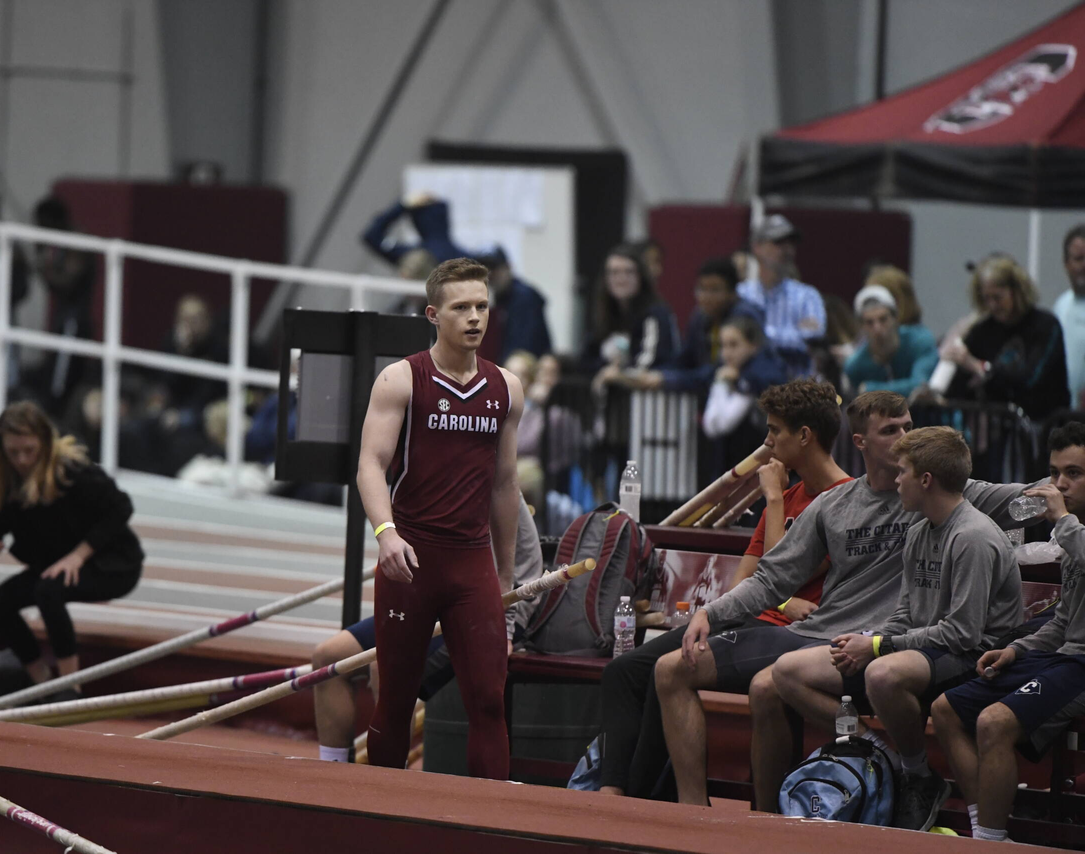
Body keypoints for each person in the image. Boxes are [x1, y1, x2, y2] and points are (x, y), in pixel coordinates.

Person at [663, 391, 1033, 808]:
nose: (904, 437)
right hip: (822, 633)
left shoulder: (941, 491)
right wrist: (711, 613)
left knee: (770, 684)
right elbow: (771, 578)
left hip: (888, 645)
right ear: (860, 442)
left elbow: (1027, 500)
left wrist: (1061, 493)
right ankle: (718, 820)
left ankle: (874, 765)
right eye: (891, 430)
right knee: (670, 668)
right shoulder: (834, 505)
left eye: (908, 427)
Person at [597, 378, 850, 800]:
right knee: (625, 672)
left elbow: (779, 571)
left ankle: (653, 806)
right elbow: (745, 584)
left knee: (673, 672)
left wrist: (770, 501)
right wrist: (776, 601)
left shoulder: (842, 500)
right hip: (751, 618)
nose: (767, 443)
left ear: (804, 436)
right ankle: (618, 797)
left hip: (795, 638)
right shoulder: (790, 495)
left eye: (774, 431)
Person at [770, 426, 1022, 830]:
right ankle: (881, 755)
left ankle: (917, 773)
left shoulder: (973, 536)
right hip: (924, 648)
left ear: (926, 480)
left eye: (902, 471)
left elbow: (963, 634)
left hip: (977, 656)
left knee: (883, 673)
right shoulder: (919, 529)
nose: (895, 480)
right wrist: (867, 638)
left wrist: (877, 646)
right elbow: (905, 613)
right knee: (787, 671)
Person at [355, 257, 524, 779]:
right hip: (411, 562)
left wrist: (505, 575)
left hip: (470, 563)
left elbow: (504, 485)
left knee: (489, 702)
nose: (475, 317)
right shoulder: (401, 379)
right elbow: (369, 465)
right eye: (461, 308)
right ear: (433, 314)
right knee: (397, 702)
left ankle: (486, 823)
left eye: (481, 306)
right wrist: (386, 534)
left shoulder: (507, 389)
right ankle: (378, 816)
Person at [932, 420, 1085, 843]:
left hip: (1083, 663)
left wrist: (1065, 523)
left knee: (994, 722)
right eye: (1055, 473)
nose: (1060, 484)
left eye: (1074, 473)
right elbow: (1062, 622)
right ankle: (988, 827)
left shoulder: (1073, 531)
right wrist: (1017, 650)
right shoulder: (1075, 531)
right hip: (1065, 654)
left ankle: (990, 840)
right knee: (946, 709)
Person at [313, 499, 543, 762]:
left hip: (485, 606)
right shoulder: (420, 474)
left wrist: (506, 628)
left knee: (385, 667)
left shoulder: (486, 477)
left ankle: (389, 787)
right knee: (327, 657)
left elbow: (520, 568)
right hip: (428, 597)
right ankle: (333, 773)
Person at [0, 402, 143, 696]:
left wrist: (78, 557)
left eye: (29, 450)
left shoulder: (71, 470)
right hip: (55, 564)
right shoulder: (5, 480)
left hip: (114, 564)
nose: (23, 460)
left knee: (48, 590)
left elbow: (122, 507)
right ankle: (40, 684)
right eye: (13, 453)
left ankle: (70, 689)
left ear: (45, 442)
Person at [941, 255, 1069, 421]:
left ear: (1016, 292)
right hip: (999, 431)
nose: (992, 305)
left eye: (998, 297)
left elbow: (1029, 380)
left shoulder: (1046, 326)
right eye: (987, 298)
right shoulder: (982, 330)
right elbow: (959, 386)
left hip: (1043, 426)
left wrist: (977, 366)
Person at [26, 196, 97, 415]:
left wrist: (42, 265)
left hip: (74, 320)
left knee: (61, 381)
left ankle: (58, 416)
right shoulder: (57, 244)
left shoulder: (75, 242)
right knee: (52, 373)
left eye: (42, 224)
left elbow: (68, 282)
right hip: (63, 317)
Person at [653, 257, 764, 394]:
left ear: (732, 293)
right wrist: (656, 374)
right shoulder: (700, 316)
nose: (706, 297)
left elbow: (717, 370)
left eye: (714, 290)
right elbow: (685, 359)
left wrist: (666, 380)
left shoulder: (745, 316)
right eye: (702, 289)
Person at [736, 215, 826, 377]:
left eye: (791, 243)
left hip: (797, 389)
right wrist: (795, 333)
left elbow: (814, 339)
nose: (787, 250)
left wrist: (758, 338)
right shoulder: (742, 294)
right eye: (778, 242)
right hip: (751, 389)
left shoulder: (807, 295)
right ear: (757, 247)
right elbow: (735, 343)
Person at [586, 245, 681, 387]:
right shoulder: (606, 313)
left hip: (651, 398)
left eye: (629, 272)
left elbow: (650, 361)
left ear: (641, 276)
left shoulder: (656, 313)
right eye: (614, 273)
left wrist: (619, 373)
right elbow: (587, 358)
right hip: (616, 400)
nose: (621, 279)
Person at [843, 283, 939, 397]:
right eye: (869, 322)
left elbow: (921, 386)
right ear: (861, 326)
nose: (877, 329)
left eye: (883, 319)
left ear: (895, 318)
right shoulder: (855, 365)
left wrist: (870, 389)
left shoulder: (920, 341)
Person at [480, 246, 552, 362]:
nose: (490, 275)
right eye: (484, 270)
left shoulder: (524, 297)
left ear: (508, 267)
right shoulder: (494, 298)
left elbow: (521, 347)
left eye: (494, 268)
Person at [1053, 225, 1085, 409]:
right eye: (1078, 259)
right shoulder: (1062, 305)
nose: (1084, 265)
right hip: (1066, 416)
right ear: (1066, 263)